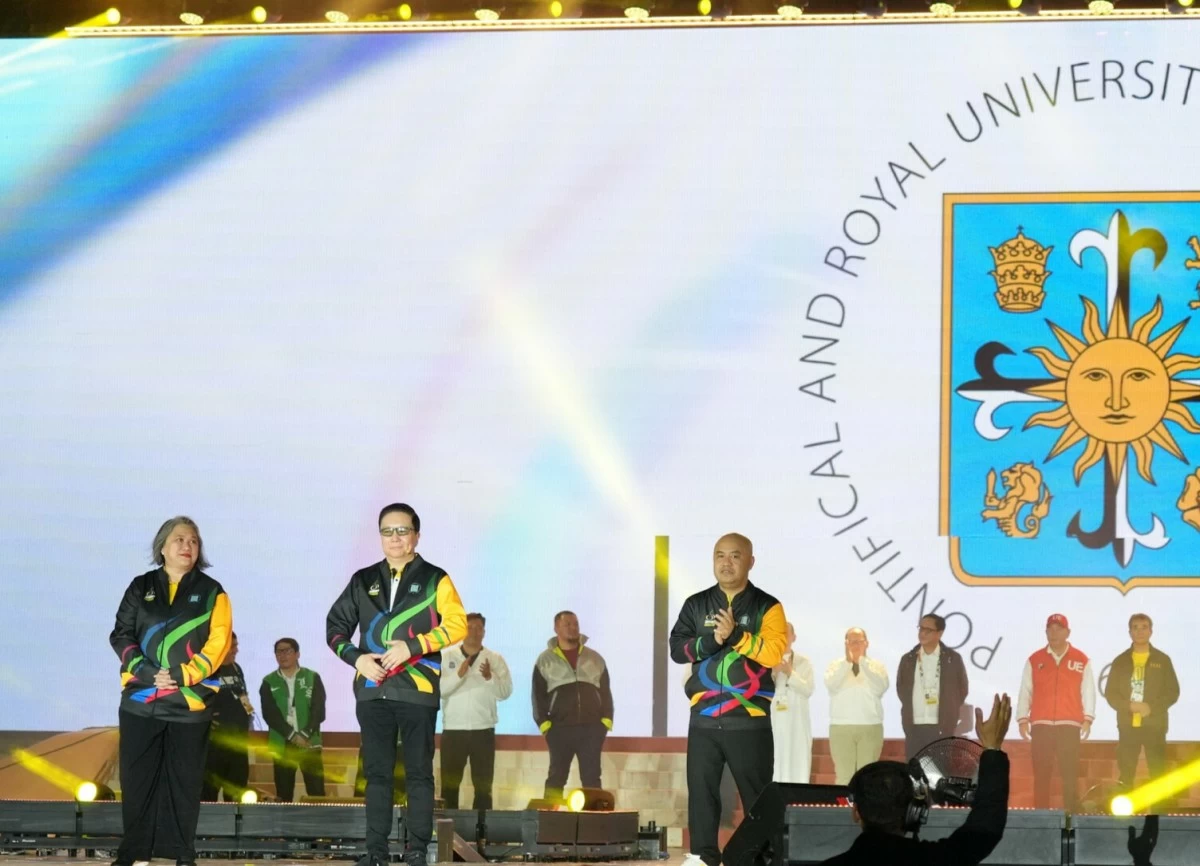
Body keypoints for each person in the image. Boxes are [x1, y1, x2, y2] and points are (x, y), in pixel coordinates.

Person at [326, 503, 468, 866]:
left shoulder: (436, 578)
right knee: (376, 773)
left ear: (416, 535)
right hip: (373, 690)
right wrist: (357, 659)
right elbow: (335, 628)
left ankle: (417, 849)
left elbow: (457, 625)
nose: (395, 538)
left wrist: (414, 646)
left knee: (419, 772)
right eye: (387, 531)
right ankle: (375, 852)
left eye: (402, 530)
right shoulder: (363, 579)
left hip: (417, 689)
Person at [109, 516, 233, 866]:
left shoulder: (213, 591)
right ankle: (135, 852)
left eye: (193, 540)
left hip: (190, 703)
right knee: (137, 782)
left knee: (184, 783)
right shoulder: (140, 586)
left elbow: (219, 643)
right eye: (179, 539)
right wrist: (147, 672)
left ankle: (181, 852)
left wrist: (183, 674)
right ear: (162, 546)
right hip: (140, 699)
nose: (187, 546)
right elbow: (121, 635)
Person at [668, 533, 787, 866]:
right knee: (703, 795)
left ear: (750, 561)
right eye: (720, 555)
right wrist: (712, 641)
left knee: (757, 798)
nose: (726, 562)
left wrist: (735, 635)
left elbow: (774, 652)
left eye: (735, 556)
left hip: (749, 720)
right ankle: (703, 856)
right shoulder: (696, 603)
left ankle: (760, 859)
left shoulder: (767, 606)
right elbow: (678, 649)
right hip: (704, 718)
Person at [819, 693, 1012, 866]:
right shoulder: (939, 860)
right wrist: (992, 748)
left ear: (856, 813)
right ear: (915, 812)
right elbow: (986, 826)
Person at [1017, 613, 1096, 811]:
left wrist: (1087, 719)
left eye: (1058, 629)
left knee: (1069, 776)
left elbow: (1088, 691)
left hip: (1069, 726)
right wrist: (1022, 718)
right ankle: (1041, 818)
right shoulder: (1035, 660)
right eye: (1050, 629)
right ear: (1045, 632)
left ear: (1068, 632)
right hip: (1041, 726)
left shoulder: (1081, 659)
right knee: (1041, 776)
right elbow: (1025, 690)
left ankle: (1071, 819)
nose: (1054, 633)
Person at [532, 611, 614, 802]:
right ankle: (550, 823)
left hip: (592, 728)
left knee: (592, 779)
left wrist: (605, 722)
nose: (573, 627)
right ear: (556, 628)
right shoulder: (545, 660)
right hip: (559, 730)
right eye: (567, 624)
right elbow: (537, 697)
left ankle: (595, 826)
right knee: (556, 778)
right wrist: (546, 727)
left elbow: (606, 692)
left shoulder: (594, 658)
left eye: (576, 623)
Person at [439, 612, 512, 810]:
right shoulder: (446, 657)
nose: (474, 632)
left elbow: (505, 692)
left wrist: (490, 678)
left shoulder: (494, 659)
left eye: (479, 628)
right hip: (454, 731)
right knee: (449, 787)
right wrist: (458, 675)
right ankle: (447, 835)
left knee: (483, 788)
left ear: (484, 632)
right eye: (470, 627)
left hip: (483, 731)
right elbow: (439, 691)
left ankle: (482, 836)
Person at [1104, 614, 1180, 792]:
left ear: (1151, 631)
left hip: (1155, 725)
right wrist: (1129, 706)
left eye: (1144, 627)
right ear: (1129, 632)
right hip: (1128, 726)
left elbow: (1172, 692)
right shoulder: (1120, 661)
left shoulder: (1162, 660)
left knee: (1158, 774)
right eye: (1135, 627)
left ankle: (1158, 819)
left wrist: (1151, 707)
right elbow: (1111, 694)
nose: (1140, 631)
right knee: (1126, 776)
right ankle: (1125, 819)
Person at [260, 637, 327, 801]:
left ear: (297, 654)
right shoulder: (268, 681)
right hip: (283, 744)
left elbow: (319, 710)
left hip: (309, 742)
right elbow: (270, 714)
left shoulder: (312, 677)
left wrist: (304, 734)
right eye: (279, 652)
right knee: (284, 793)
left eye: (287, 651)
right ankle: (284, 827)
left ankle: (320, 826)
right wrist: (292, 735)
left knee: (317, 791)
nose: (283, 655)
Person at [896, 614, 970, 760]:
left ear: (940, 633)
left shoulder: (952, 659)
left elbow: (962, 689)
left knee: (940, 773)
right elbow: (901, 689)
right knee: (914, 773)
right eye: (920, 628)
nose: (922, 633)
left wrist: (950, 711)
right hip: (914, 726)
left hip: (941, 726)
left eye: (927, 630)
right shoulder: (908, 659)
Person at [825, 627, 889, 785]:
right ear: (845, 644)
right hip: (841, 727)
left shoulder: (876, 666)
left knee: (868, 777)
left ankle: (866, 810)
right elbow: (832, 686)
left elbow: (880, 687)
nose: (855, 645)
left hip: (870, 726)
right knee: (844, 777)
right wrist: (848, 663)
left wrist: (862, 663)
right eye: (851, 641)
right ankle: (843, 809)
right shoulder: (836, 665)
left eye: (859, 641)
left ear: (866, 643)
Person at [201, 632, 254, 802]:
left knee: (238, 793)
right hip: (214, 747)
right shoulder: (207, 671)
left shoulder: (237, 669)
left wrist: (249, 714)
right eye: (232, 646)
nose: (236, 650)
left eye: (236, 646)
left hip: (238, 744)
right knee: (209, 794)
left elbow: (243, 696)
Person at [771, 622, 815, 784]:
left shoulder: (804, 662)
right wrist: (773, 674)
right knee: (775, 760)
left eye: (786, 633)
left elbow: (808, 689)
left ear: (793, 637)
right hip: (774, 720)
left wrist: (790, 672)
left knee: (798, 759)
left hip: (797, 721)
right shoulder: (767, 662)